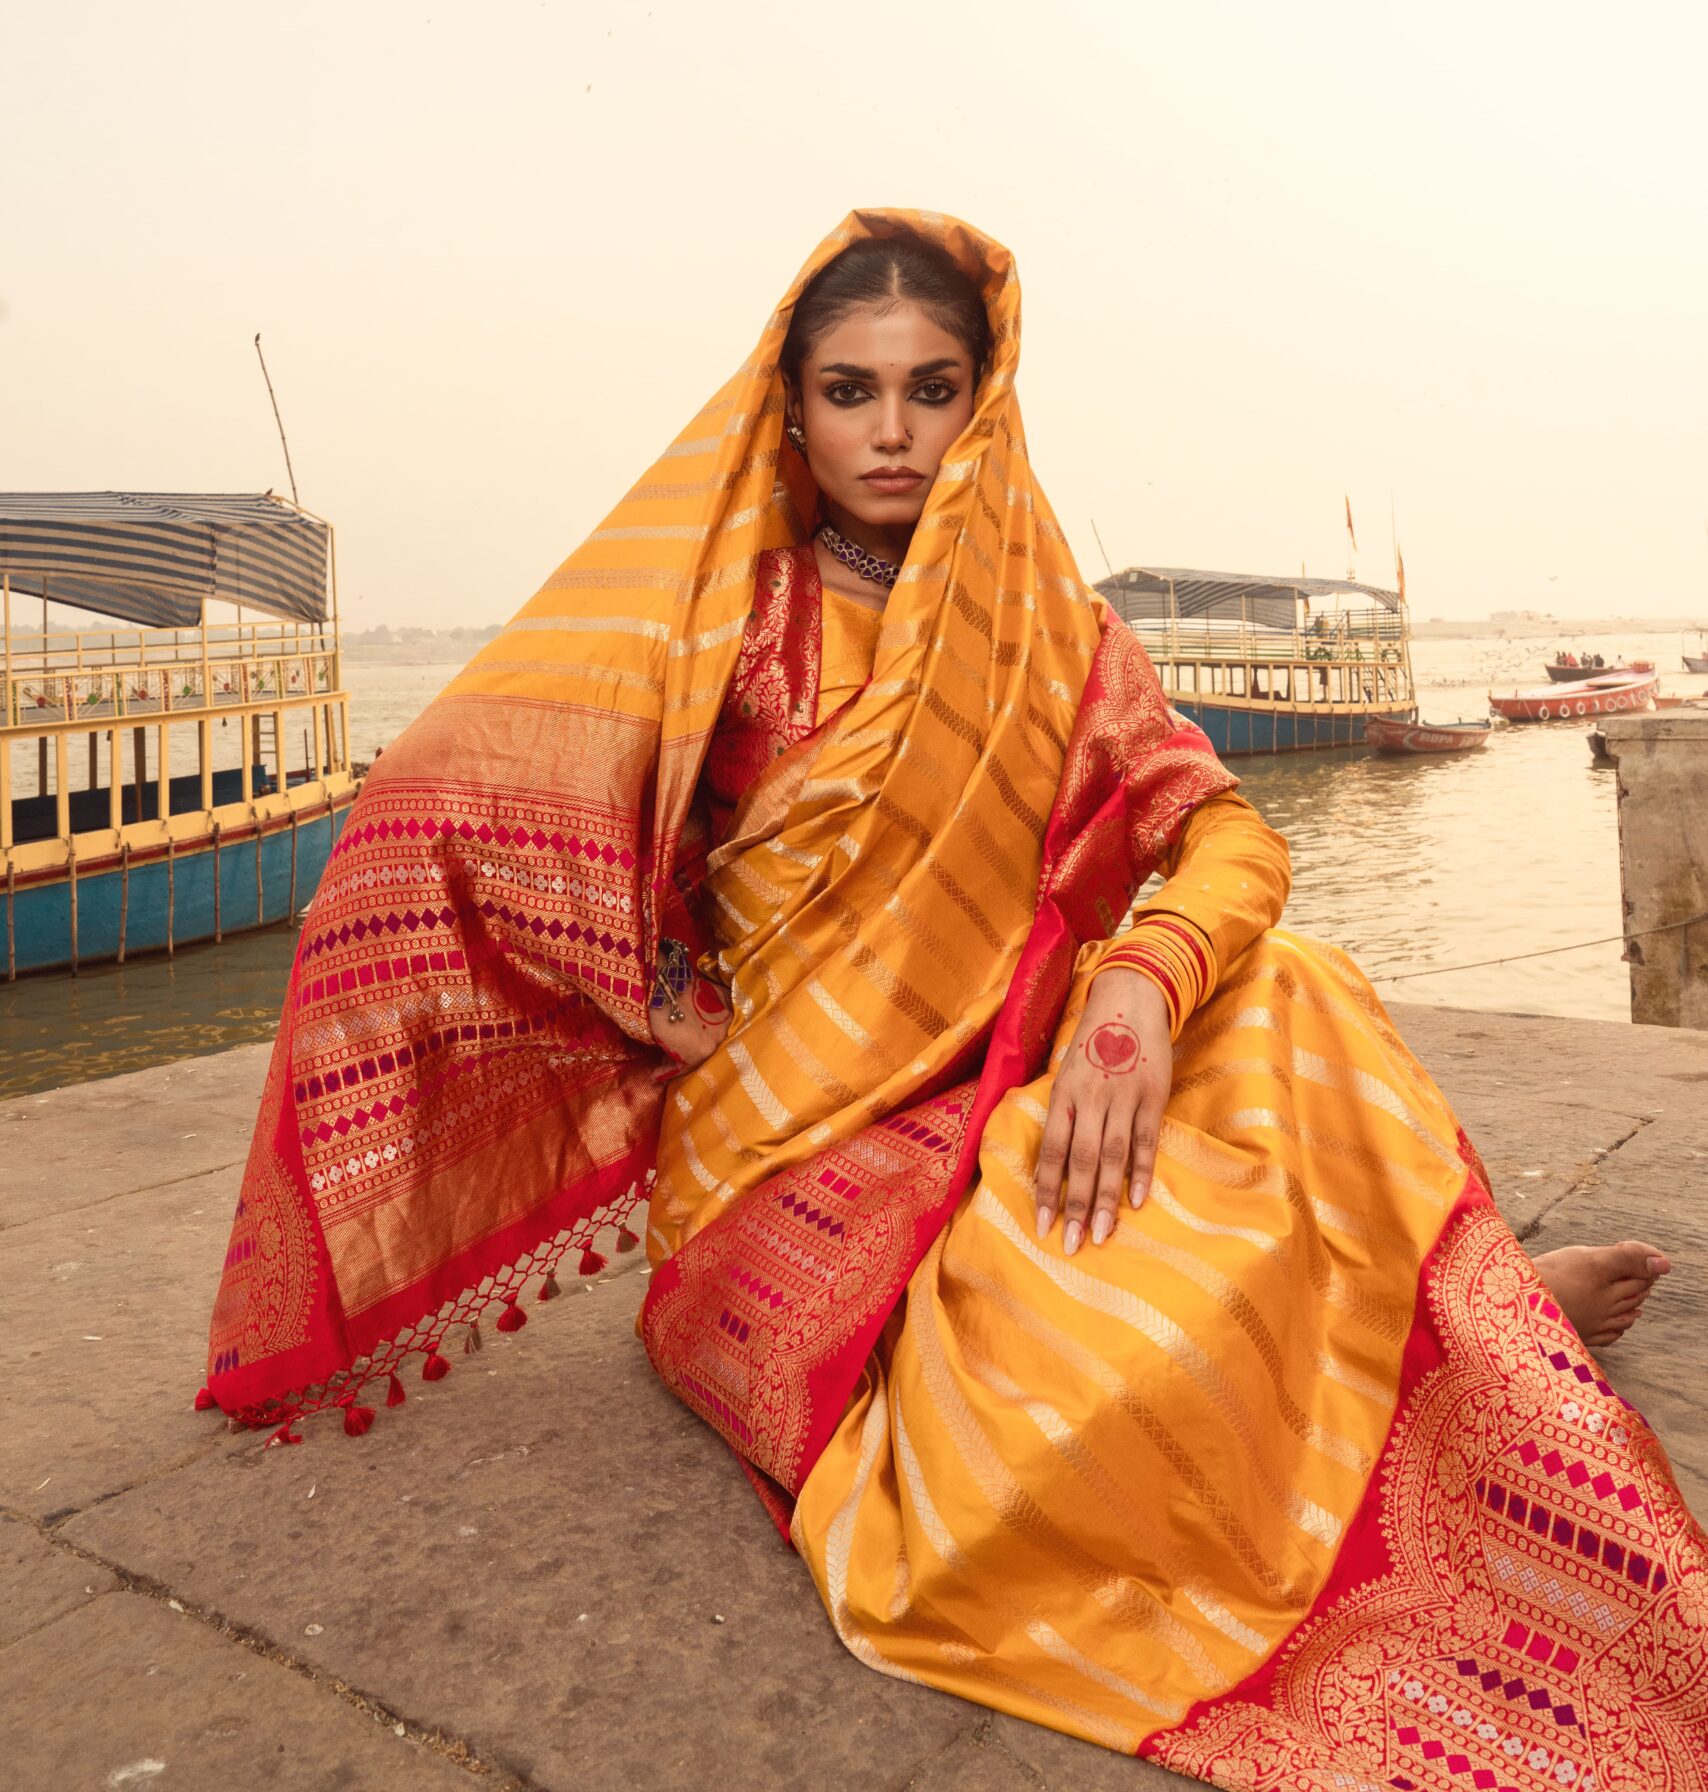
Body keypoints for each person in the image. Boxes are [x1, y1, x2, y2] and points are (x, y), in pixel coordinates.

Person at [203, 214, 1702, 1778]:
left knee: (1293, 998)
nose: (893, 432)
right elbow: (463, 808)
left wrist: (1139, 987)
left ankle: (1472, 1315)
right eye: (850, 391)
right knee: (1057, 1361)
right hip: (787, 1157)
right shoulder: (733, 623)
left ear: (983, 406)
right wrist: (656, 988)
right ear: (791, 411)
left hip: (1012, 1067)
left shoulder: (1056, 636)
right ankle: (1460, 1326)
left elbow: (1226, 836)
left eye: (932, 390)